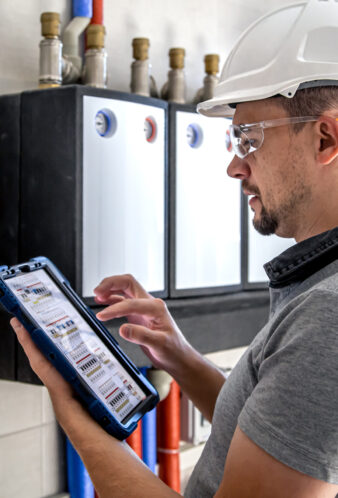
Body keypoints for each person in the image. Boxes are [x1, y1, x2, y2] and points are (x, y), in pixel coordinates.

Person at [10, 0, 338, 496]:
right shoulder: (318, 289)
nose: (234, 166)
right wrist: (179, 354)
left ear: (325, 138)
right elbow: (274, 431)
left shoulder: (328, 317)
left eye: (248, 138)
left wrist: (76, 414)